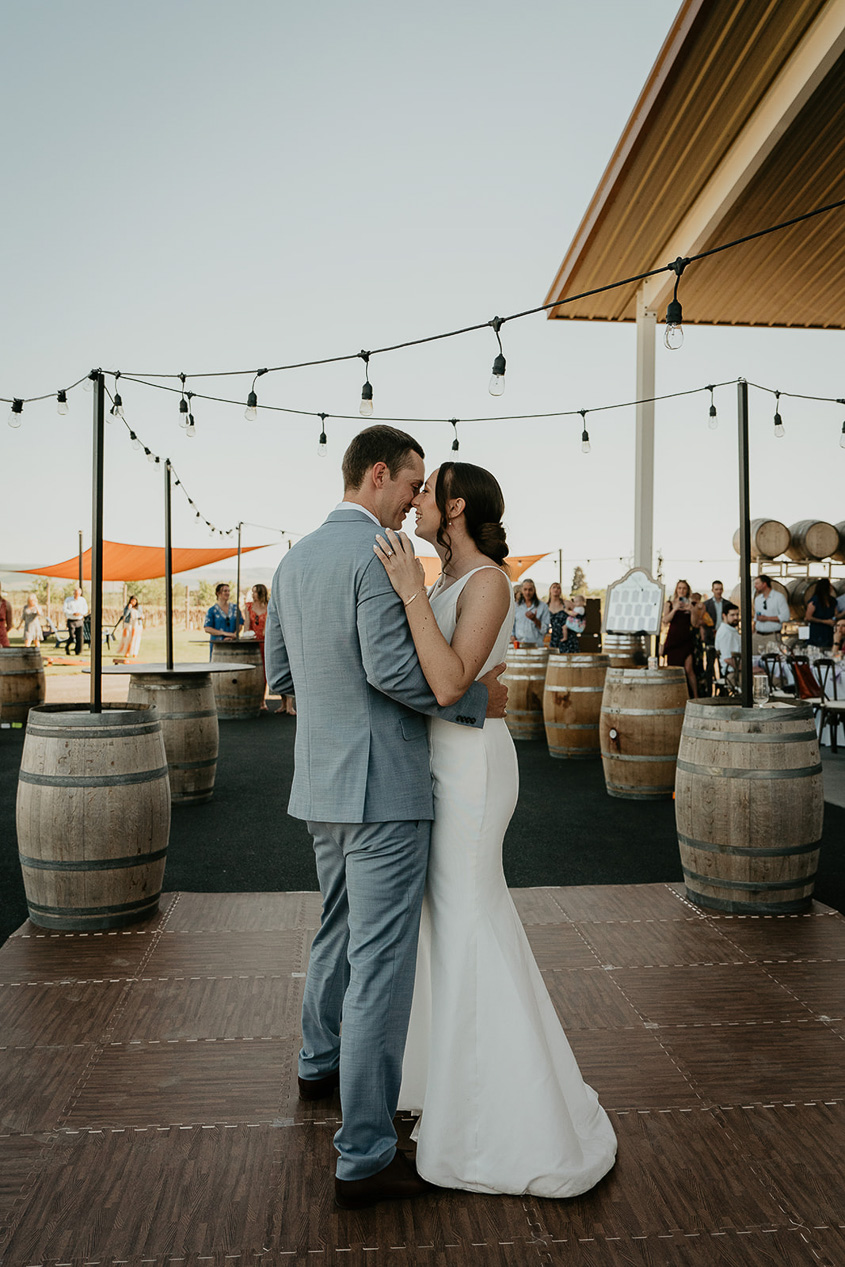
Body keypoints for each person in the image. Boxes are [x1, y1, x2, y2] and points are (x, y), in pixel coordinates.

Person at [264, 425, 508, 1211]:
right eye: (410, 485)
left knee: (335, 927)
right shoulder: (374, 555)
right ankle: (364, 1153)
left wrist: (331, 728)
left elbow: (282, 676)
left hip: (320, 788)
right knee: (379, 966)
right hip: (381, 794)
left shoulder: (294, 558)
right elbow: (395, 670)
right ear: (378, 475)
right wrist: (476, 700)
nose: (413, 503)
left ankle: (315, 1062)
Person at [374, 461, 616, 1198]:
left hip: (474, 772)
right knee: (444, 925)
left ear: (451, 507)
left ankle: (507, 1120)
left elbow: (449, 682)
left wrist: (412, 593)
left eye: (424, 492)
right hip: (439, 764)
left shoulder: (485, 583)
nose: (412, 502)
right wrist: (418, 592)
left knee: (470, 919)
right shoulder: (448, 579)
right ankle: (448, 1088)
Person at [661, 579, 702, 697]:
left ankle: (695, 696)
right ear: (676, 590)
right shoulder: (669, 603)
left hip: (686, 640)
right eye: (679, 588)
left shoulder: (692, 605)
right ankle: (673, 695)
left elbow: (694, 624)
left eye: (684, 588)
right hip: (674, 639)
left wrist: (692, 610)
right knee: (673, 670)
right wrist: (675, 609)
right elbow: (665, 620)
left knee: (689, 669)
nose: (681, 590)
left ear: (687, 590)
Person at [244, 583, 273, 713]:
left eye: (255, 592)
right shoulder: (249, 607)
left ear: (261, 593)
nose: (253, 594)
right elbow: (247, 625)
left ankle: (262, 699)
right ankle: (252, 700)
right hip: (253, 643)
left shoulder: (269, 607)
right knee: (253, 672)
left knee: (264, 673)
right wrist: (245, 637)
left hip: (266, 643)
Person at [702, 581, 736, 691]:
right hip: (711, 638)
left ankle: (723, 690)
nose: (718, 591)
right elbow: (703, 621)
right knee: (710, 666)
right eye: (716, 589)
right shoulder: (706, 604)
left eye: (720, 589)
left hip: (723, 636)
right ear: (712, 590)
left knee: (723, 665)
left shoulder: (727, 604)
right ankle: (709, 690)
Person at [203, 582, 243, 659]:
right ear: (218, 593)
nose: (227, 593)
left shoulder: (235, 608)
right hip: (218, 645)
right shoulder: (212, 610)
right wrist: (225, 634)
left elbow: (240, 623)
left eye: (228, 591)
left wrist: (233, 635)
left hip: (233, 644)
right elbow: (207, 628)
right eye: (225, 591)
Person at [752, 574, 790, 655]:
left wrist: (767, 618)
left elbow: (785, 617)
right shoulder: (758, 599)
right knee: (753, 661)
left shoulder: (779, 597)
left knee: (773, 662)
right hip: (757, 637)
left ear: (764, 584)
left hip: (772, 636)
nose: (755, 586)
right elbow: (756, 617)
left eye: (757, 584)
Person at [512, 577, 550, 647]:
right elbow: (512, 626)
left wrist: (535, 620)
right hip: (519, 646)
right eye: (525, 589)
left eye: (530, 590)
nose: (527, 592)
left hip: (536, 646)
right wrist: (512, 636)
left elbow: (545, 630)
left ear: (534, 590)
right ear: (522, 590)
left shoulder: (543, 606)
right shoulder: (516, 606)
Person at [805, 577, 837, 651]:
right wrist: (824, 621)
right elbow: (808, 617)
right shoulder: (815, 600)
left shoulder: (832, 600)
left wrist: (834, 620)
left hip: (828, 632)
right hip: (817, 631)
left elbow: (835, 614)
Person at [714, 604, 742, 676]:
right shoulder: (725, 633)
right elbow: (727, 659)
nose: (736, 617)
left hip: (737, 669)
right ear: (724, 616)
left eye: (737, 614)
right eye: (732, 615)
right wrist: (748, 668)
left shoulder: (730, 630)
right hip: (733, 673)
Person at [116, 595, 144, 660]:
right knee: (128, 638)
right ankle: (127, 651)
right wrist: (129, 608)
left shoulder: (139, 607)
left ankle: (135, 653)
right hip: (130, 624)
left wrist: (141, 617)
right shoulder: (127, 607)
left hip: (137, 624)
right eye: (132, 600)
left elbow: (140, 615)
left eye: (134, 600)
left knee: (136, 639)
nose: (133, 602)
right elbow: (125, 615)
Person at [63, 587, 89, 656]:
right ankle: (67, 647)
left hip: (79, 620)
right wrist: (72, 613)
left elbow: (85, 609)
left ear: (80, 593)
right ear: (73, 593)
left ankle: (77, 651)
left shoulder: (82, 600)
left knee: (79, 637)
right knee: (72, 636)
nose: (76, 594)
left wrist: (80, 613)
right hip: (71, 620)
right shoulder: (68, 600)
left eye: (78, 593)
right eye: (75, 593)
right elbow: (65, 609)